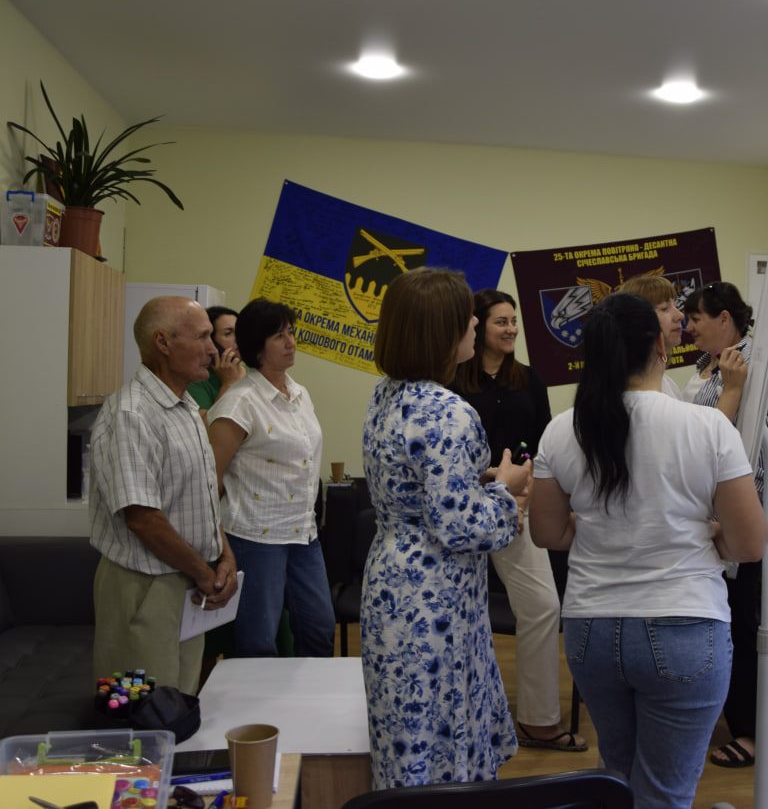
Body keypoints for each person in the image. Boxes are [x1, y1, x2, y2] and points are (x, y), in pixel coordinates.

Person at [530, 292, 767, 809]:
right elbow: (749, 543)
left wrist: (596, 525)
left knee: (617, 779)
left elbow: (548, 534)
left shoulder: (561, 430)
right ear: (661, 346)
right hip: (685, 624)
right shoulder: (707, 427)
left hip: (592, 630)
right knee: (664, 794)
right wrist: (710, 534)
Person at [361, 267, 533, 788]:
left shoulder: (386, 395)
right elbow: (462, 528)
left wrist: (477, 482)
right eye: (467, 318)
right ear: (442, 331)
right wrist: (506, 490)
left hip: (391, 578)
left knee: (405, 730)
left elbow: (417, 488)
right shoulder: (448, 412)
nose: (476, 324)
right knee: (440, 734)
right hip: (433, 595)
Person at [451, 289, 587, 752]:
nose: (510, 329)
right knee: (458, 613)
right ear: (477, 326)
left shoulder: (529, 379)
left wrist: (525, 491)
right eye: (500, 322)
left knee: (543, 605)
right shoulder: (452, 380)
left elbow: (542, 443)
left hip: (518, 507)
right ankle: (459, 719)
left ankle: (537, 720)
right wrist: (489, 477)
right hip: (463, 511)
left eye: (514, 321)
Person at [89, 296, 238, 694]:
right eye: (202, 337)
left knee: (180, 700)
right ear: (163, 342)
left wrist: (224, 554)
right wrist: (204, 573)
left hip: (188, 579)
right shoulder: (131, 414)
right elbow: (143, 519)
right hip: (145, 588)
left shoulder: (187, 408)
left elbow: (201, 496)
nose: (213, 350)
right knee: (139, 710)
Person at [681, 280, 768, 768]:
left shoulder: (760, 367)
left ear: (724, 318)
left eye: (697, 318)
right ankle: (740, 719)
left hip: (744, 521)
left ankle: (759, 735)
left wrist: (739, 514)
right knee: (727, 625)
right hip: (715, 518)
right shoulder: (711, 366)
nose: (689, 327)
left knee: (746, 628)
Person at [206, 299, 335, 658]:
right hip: (255, 537)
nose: (291, 342)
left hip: (303, 533)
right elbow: (209, 481)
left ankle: (309, 694)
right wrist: (222, 547)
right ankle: (258, 697)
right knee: (259, 640)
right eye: (279, 336)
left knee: (319, 627)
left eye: (291, 333)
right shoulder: (239, 403)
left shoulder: (300, 394)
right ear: (257, 347)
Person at [617, 273, 685, 398]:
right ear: (638, 320)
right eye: (664, 308)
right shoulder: (626, 391)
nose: (680, 315)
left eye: (676, 306)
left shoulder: (668, 384)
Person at [187, 305, 245, 414]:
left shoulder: (252, 370)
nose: (238, 338)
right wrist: (228, 383)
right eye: (228, 333)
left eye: (240, 332)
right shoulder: (197, 380)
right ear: (211, 341)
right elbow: (205, 423)